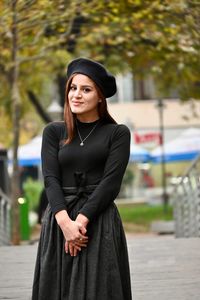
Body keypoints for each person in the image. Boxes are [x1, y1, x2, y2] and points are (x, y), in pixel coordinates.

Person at [32, 58, 132, 300]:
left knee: (100, 290)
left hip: (98, 221)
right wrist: (66, 223)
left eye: (86, 89)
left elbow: (111, 183)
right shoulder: (53, 132)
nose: (76, 95)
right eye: (73, 88)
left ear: (100, 97)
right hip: (60, 220)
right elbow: (50, 179)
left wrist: (82, 221)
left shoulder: (117, 133)